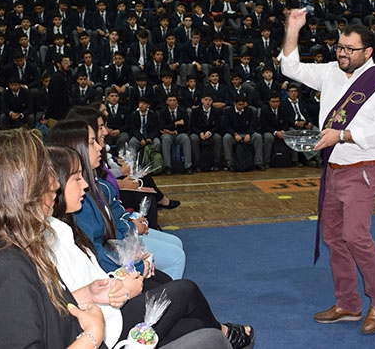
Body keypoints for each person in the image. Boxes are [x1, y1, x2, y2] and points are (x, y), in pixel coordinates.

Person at [46, 145, 250, 349]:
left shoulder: (62, 227)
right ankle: (227, 332)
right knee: (186, 290)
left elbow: (86, 277)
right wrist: (121, 281)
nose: (84, 185)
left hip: (107, 310)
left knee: (196, 324)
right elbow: (64, 300)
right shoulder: (56, 234)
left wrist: (119, 276)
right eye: (76, 178)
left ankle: (225, 334)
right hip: (104, 325)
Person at [280, 8, 375, 336]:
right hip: (333, 169)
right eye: (340, 47)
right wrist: (293, 28)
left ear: (368, 51)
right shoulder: (332, 71)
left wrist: (342, 135)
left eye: (349, 49)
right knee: (334, 236)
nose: (342, 54)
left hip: (363, 169)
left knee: (356, 236)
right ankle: (348, 302)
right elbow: (289, 66)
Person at [0, 129, 107, 349]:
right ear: (19, 189)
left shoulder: (7, 246)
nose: (55, 184)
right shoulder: (2, 270)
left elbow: (32, 309)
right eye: (45, 172)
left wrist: (84, 295)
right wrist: (92, 336)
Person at [50, 120, 186, 280]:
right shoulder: (81, 202)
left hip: (117, 246)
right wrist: (134, 260)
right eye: (93, 141)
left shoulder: (93, 182)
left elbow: (112, 217)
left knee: (173, 254)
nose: (104, 135)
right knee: (175, 259)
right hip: (113, 262)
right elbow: (99, 250)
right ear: (77, 147)